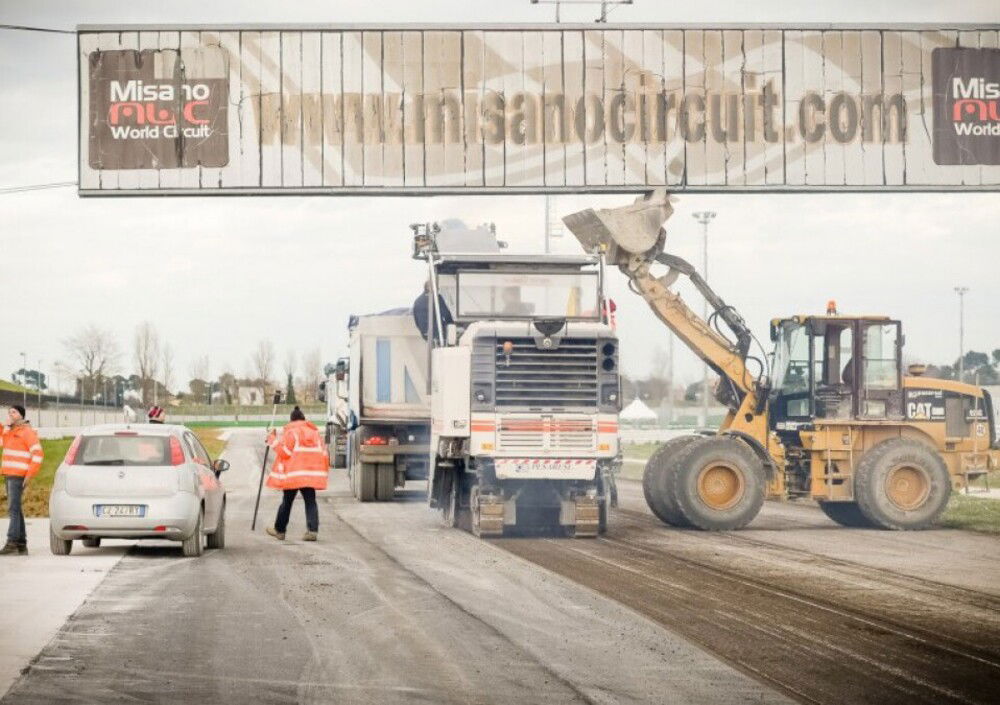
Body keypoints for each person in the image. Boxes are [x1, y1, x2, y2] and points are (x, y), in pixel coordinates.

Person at [265, 406, 329, 542]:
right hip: (311, 475)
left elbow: (285, 453)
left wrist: (272, 439)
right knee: (310, 501)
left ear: (292, 419)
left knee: (287, 502)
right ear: (304, 419)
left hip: (294, 475)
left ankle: (280, 530)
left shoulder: (291, 432)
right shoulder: (315, 433)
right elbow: (324, 454)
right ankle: (312, 531)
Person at [1, 405, 43, 555]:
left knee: (13, 509)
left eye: (14, 412)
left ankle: (12, 541)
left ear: (21, 415)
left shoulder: (27, 432)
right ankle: (21, 544)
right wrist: (4, 427)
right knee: (16, 509)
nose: (10, 414)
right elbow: (2, 442)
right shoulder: (10, 431)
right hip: (9, 474)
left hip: (18, 476)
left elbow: (38, 454)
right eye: (9, 412)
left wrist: (29, 475)